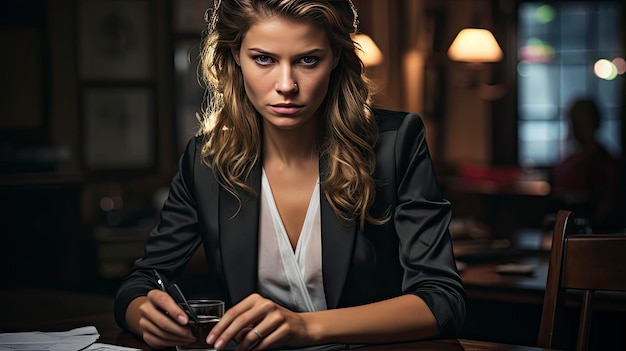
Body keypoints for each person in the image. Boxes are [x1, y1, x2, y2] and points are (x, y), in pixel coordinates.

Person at [114, 1, 466, 350]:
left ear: (336, 58)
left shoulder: (395, 145)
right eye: (263, 59)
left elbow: (442, 301)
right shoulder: (205, 160)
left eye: (308, 60)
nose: (286, 85)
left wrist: (307, 327)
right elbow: (141, 282)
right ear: (236, 55)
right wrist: (146, 314)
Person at [551, 97, 621, 233]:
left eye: (580, 122)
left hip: (587, 228)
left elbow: (607, 202)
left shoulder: (603, 159)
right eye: (573, 122)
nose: (575, 127)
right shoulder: (572, 156)